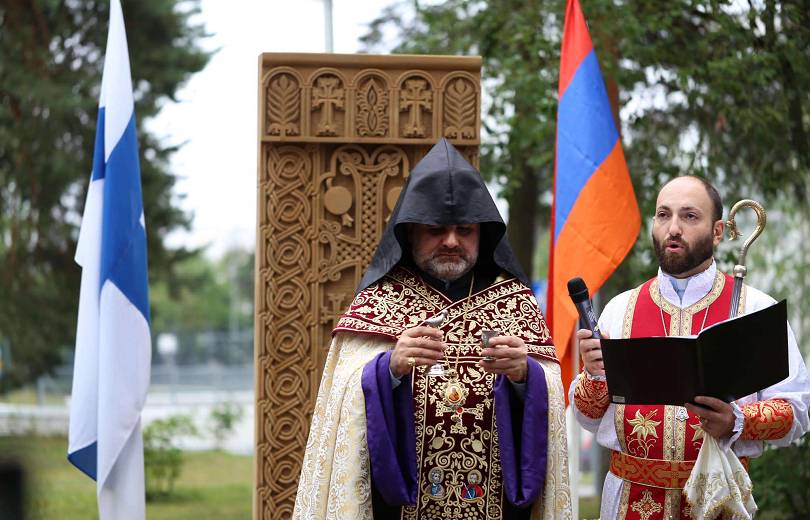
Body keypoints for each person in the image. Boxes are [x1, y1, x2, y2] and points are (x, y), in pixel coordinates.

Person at [294, 139, 571, 519]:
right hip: (402, 507)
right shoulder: (379, 301)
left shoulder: (515, 301)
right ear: (410, 233)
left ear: (482, 234)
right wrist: (389, 368)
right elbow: (342, 407)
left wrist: (526, 375)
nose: (452, 241)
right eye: (437, 230)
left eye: (464, 230)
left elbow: (551, 395)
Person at [570, 175, 810, 519]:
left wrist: (737, 421)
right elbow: (588, 417)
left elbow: (797, 410)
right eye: (663, 215)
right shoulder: (620, 309)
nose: (673, 228)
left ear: (717, 231)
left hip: (716, 498)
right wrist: (594, 376)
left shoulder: (755, 308)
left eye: (689, 216)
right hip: (629, 500)